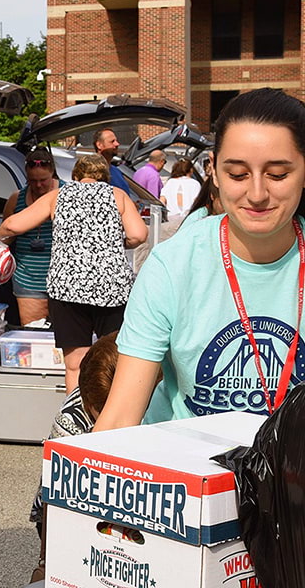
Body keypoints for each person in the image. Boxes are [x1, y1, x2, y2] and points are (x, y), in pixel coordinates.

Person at [95, 88, 305, 430]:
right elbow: (120, 416)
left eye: (278, 175)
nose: (256, 194)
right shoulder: (172, 266)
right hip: (186, 475)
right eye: (237, 174)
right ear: (215, 173)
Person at [0, 154, 147, 392]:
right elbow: (139, 235)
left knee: (75, 364)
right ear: (104, 177)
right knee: (112, 358)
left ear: (75, 176)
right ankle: (111, 413)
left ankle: (76, 414)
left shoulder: (58, 196)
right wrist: (113, 242)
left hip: (67, 290)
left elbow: (13, 225)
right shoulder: (118, 196)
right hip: (112, 289)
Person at [28, 331, 122, 584]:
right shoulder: (71, 419)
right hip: (70, 509)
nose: (109, 421)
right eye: (100, 412)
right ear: (86, 396)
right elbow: (56, 497)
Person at [1, 147, 62, 325]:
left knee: (65, 337)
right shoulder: (17, 198)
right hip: (28, 278)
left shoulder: (67, 194)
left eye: (43, 180)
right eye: (32, 181)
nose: (38, 185)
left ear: (53, 174)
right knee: (32, 334)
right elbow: (7, 235)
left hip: (63, 278)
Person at [93, 127, 130, 194]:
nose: (117, 144)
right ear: (99, 145)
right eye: (112, 141)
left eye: (116, 141)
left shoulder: (117, 171)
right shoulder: (92, 173)